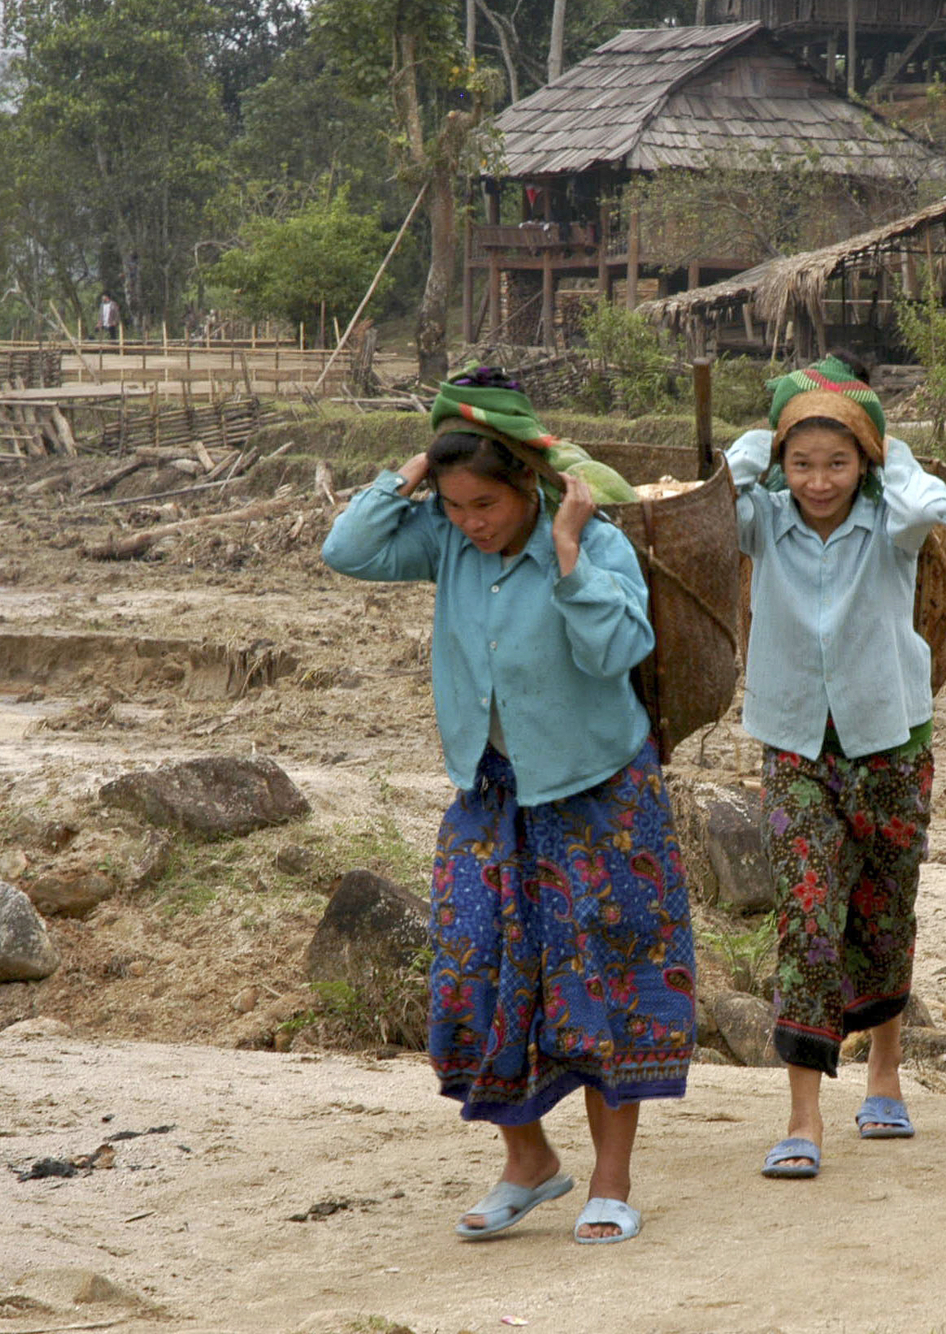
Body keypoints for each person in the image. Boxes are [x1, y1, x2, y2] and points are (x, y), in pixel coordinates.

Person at [320, 367, 696, 1244]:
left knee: (605, 981)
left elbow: (616, 653)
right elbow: (347, 549)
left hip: (600, 794)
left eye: (485, 504)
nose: (470, 524)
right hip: (490, 794)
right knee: (471, 976)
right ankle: (528, 1161)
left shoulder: (593, 544)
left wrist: (566, 557)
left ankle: (611, 1178)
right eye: (455, 507)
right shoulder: (446, 541)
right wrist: (418, 469)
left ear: (529, 485)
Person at [727, 353, 946, 1180]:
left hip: (892, 741)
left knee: (883, 910)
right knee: (808, 916)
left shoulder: (889, 523)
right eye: (801, 462)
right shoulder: (760, 520)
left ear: (864, 463)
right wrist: (778, 425)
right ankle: (802, 1114)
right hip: (794, 744)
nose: (818, 482)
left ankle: (885, 1075)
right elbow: (722, 486)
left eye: (837, 462)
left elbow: (934, 501)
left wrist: (883, 444)